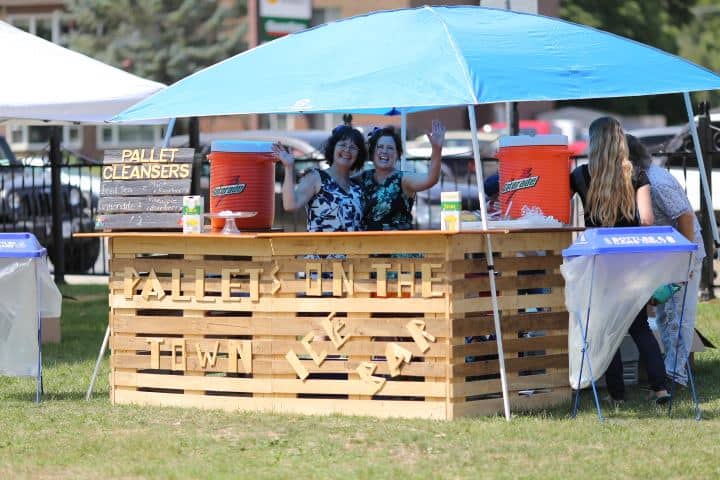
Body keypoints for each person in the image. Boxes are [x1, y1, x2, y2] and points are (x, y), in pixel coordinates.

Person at [570, 116, 670, 406]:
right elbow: (648, 220)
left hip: (600, 261)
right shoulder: (637, 174)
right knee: (639, 326)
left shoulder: (580, 176)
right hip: (631, 259)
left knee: (605, 327)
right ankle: (660, 388)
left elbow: (565, 218)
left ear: (594, 143)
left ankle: (616, 395)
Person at [627, 134, 706, 388]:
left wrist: (684, 262)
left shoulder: (657, 182)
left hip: (683, 255)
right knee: (665, 314)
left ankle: (676, 376)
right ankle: (671, 369)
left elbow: (684, 217)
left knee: (677, 315)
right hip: (671, 257)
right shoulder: (647, 179)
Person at [273, 122, 366, 232]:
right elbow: (290, 205)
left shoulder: (358, 186)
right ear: (333, 148)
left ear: (359, 155)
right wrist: (289, 167)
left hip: (355, 248)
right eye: (342, 145)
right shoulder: (316, 177)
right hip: (321, 248)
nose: (347, 150)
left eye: (353, 147)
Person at [356, 120, 446, 230]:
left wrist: (437, 150)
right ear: (372, 152)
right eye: (380, 147)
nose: (384, 151)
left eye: (390, 148)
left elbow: (430, 179)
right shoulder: (363, 177)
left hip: (399, 243)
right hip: (367, 243)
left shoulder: (403, 179)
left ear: (398, 155)